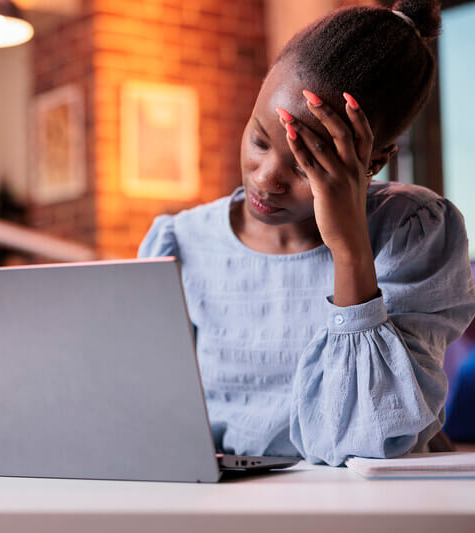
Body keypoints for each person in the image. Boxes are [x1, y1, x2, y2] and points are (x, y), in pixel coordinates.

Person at [138, 0, 475, 466]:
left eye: (304, 164)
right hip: (227, 499)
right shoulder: (179, 244)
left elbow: (369, 439)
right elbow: (147, 413)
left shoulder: (412, 231)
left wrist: (350, 249)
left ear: (373, 164)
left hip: (368, 502)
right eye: (259, 139)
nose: (265, 178)